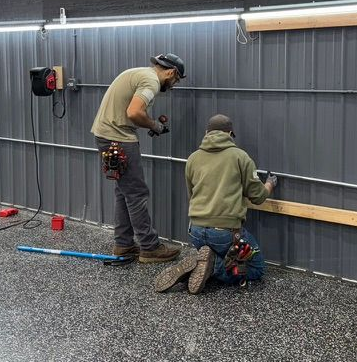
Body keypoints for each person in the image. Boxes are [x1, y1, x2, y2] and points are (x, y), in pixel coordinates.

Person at [154, 114, 277, 294]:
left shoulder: (193, 158)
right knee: (256, 268)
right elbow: (257, 196)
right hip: (226, 234)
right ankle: (212, 267)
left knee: (219, 254)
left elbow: (192, 195)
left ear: (206, 133)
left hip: (195, 231)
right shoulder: (240, 157)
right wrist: (269, 185)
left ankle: (201, 262)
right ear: (230, 134)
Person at [91, 53, 186, 263]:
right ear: (170, 72)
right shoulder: (151, 81)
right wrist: (154, 125)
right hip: (119, 138)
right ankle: (150, 247)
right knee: (136, 193)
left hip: (106, 136)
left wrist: (150, 121)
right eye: (176, 80)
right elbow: (134, 112)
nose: (173, 85)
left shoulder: (138, 73)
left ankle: (123, 244)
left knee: (123, 192)